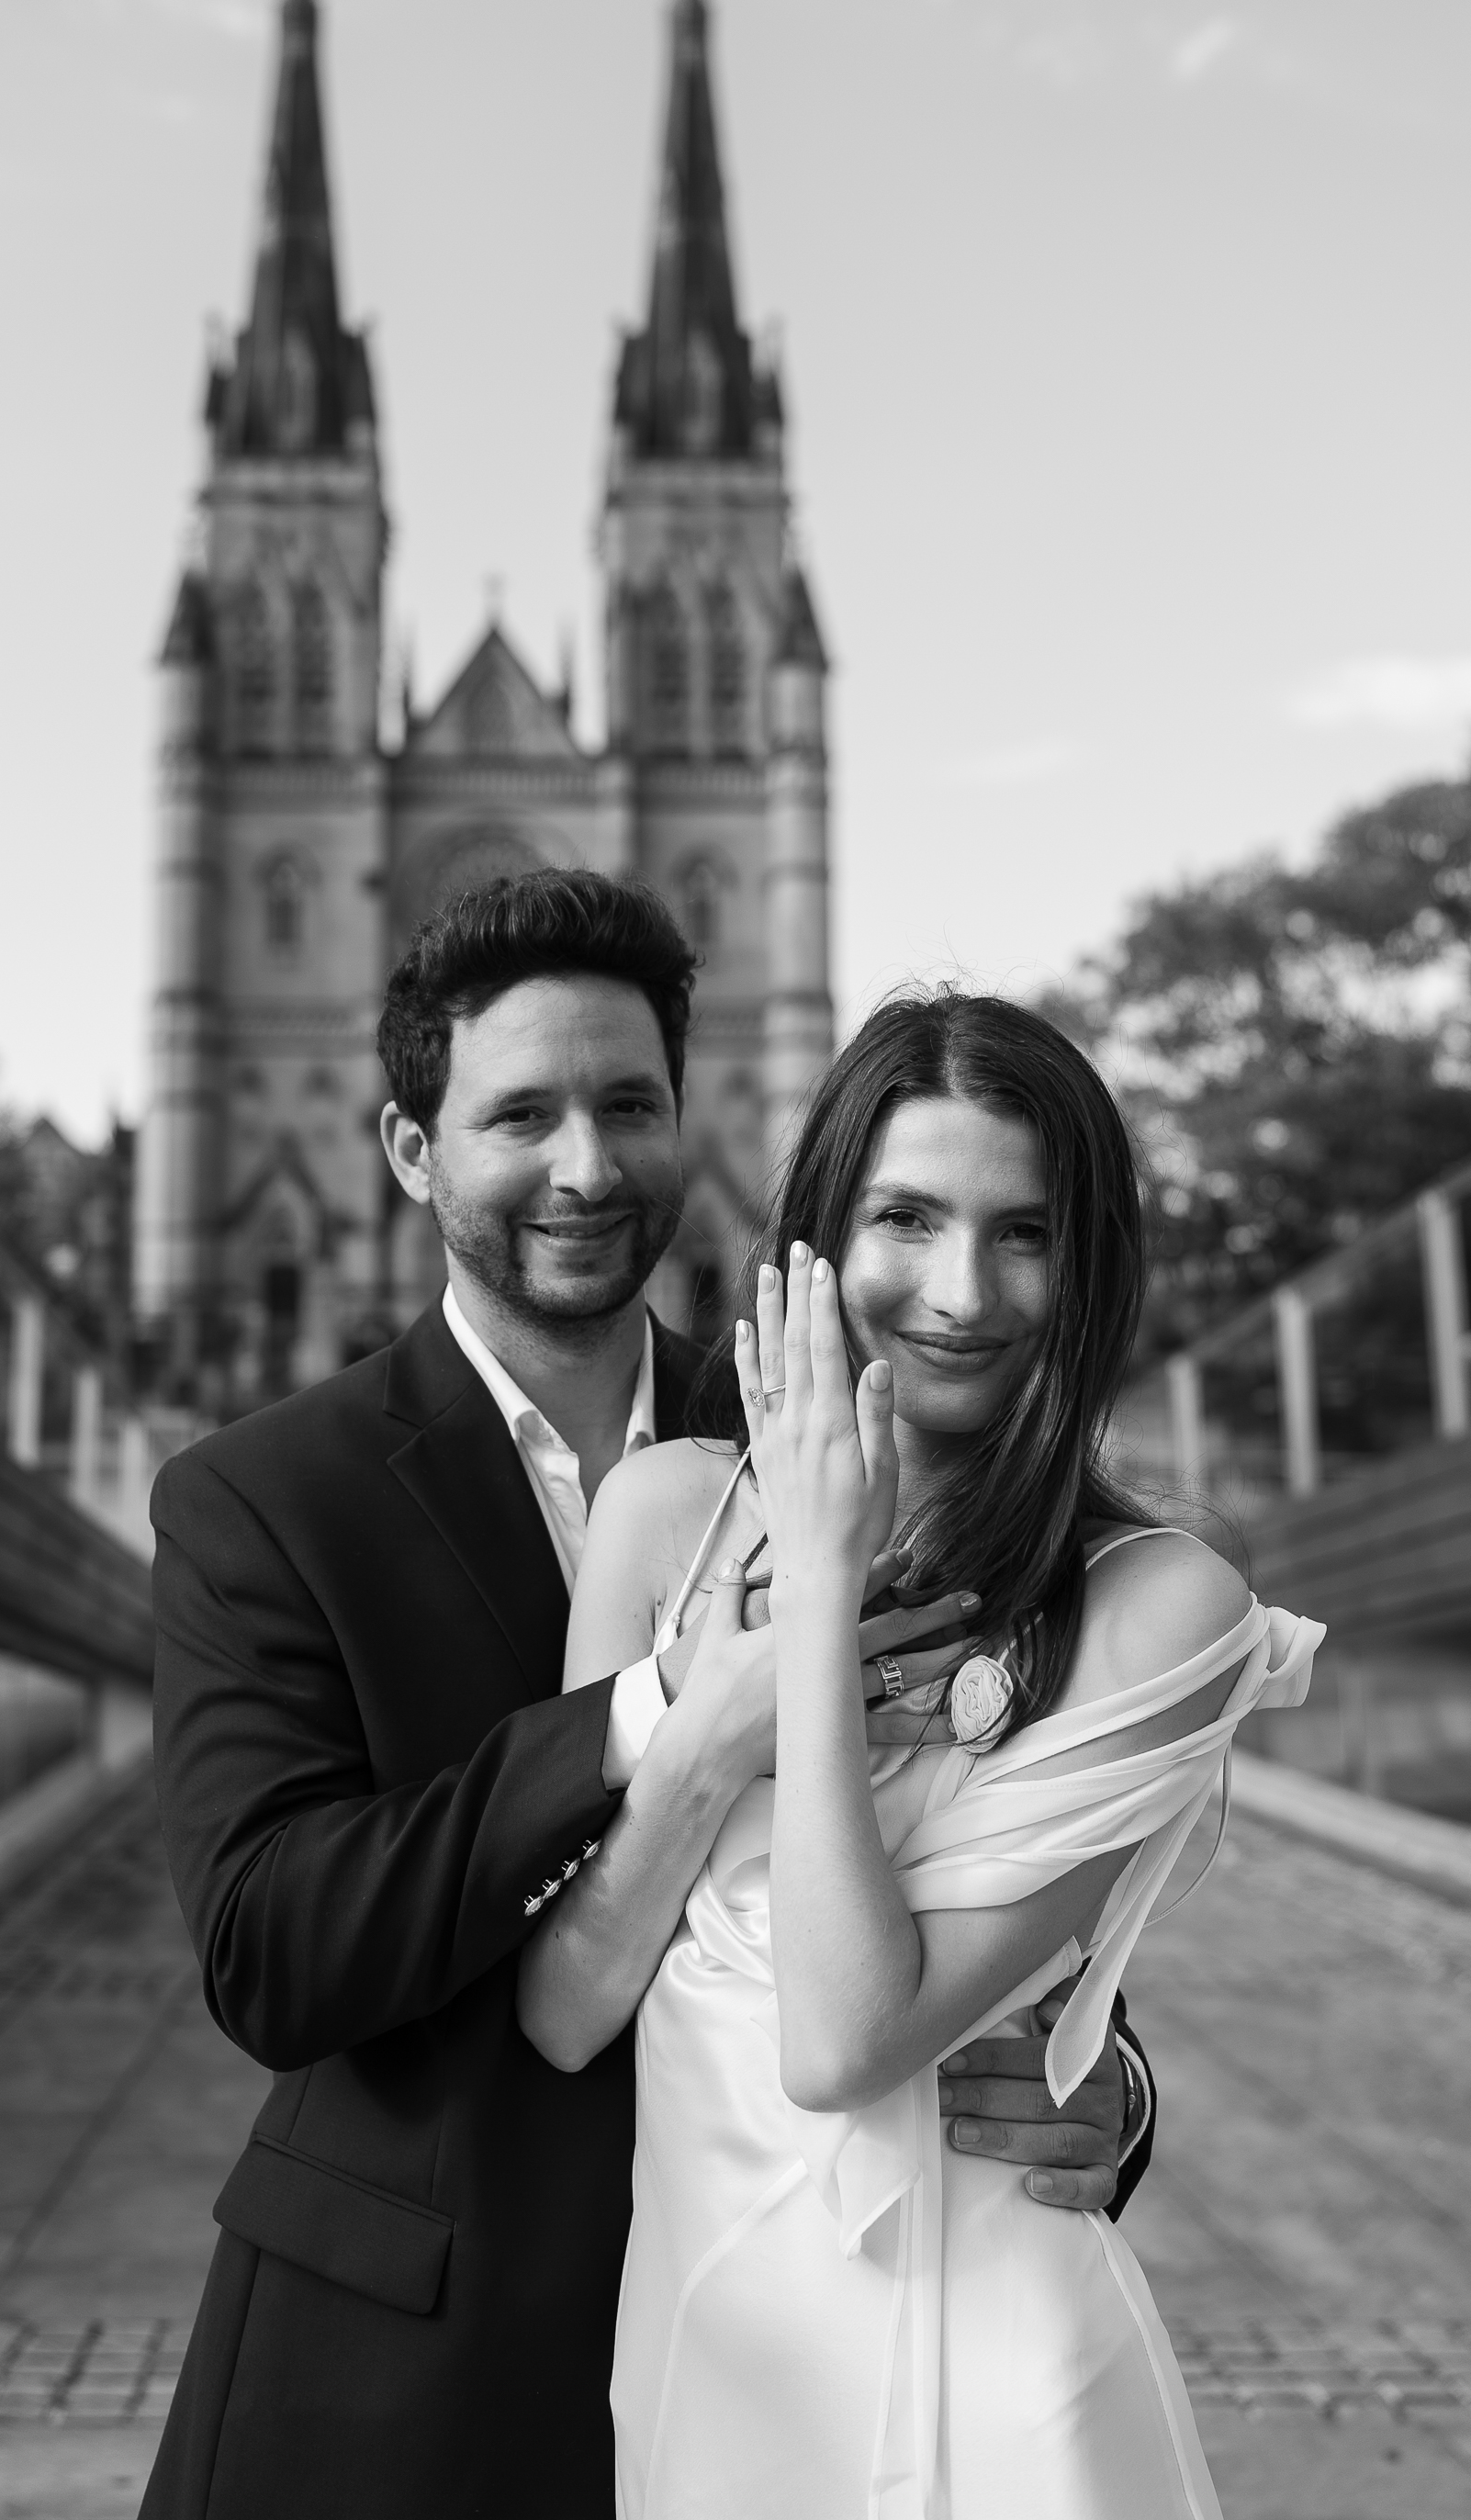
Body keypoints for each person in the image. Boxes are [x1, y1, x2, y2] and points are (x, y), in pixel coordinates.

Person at [140, 880, 1154, 2520]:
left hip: (800, 2348)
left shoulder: (846, 1437)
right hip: (413, 2360)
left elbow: (981, 1854)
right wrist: (661, 1709)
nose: (588, 1168)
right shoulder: (261, 1499)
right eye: (520, 1116)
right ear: (411, 1150)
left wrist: (1102, 2080)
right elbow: (273, 1950)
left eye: (630, 1106)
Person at [520, 990, 1322, 2519]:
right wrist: (708, 1741)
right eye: (906, 1217)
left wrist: (822, 1590)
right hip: (711, 2364)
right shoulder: (659, 1517)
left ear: (1089, 1267)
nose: (962, 1293)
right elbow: (562, 2013)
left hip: (998, 2373)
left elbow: (842, 2043)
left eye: (1026, 1233)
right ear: (818, 1234)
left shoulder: (1164, 1596)